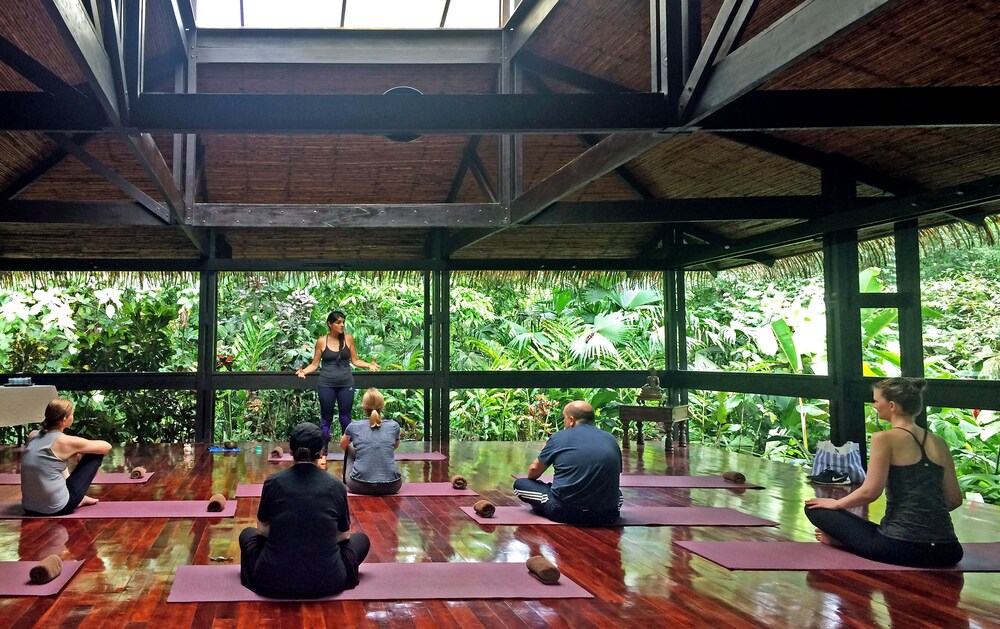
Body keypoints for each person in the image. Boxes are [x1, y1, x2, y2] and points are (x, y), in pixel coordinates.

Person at [805, 377, 964, 567]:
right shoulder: (939, 442)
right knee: (876, 530)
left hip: (901, 547)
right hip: (948, 551)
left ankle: (843, 543)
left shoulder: (884, 438)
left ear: (891, 406)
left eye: (876, 400)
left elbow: (870, 492)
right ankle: (851, 541)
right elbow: (955, 499)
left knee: (815, 508)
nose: (874, 405)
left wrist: (836, 504)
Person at [239, 422, 370, 598]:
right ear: (321, 453)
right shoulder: (336, 485)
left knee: (247, 534)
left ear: (291, 452)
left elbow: (262, 530)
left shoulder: (273, 482)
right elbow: (344, 535)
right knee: (361, 540)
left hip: (271, 579)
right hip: (329, 580)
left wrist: (289, 534)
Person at [512, 400, 623, 526]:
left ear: (571, 420)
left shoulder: (559, 437)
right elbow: (615, 475)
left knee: (520, 484)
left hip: (566, 512)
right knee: (617, 493)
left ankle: (547, 507)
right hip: (608, 514)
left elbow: (533, 472)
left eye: (564, 418)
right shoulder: (611, 439)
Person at [296, 310, 380, 453]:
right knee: (326, 418)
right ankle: (323, 451)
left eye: (343, 322)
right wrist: (304, 371)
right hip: (326, 384)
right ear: (330, 324)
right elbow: (315, 364)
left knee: (345, 418)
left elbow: (356, 360)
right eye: (338, 322)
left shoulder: (348, 339)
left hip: (346, 384)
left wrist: (369, 365)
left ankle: (349, 450)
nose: (342, 325)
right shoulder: (322, 341)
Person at [20, 398, 112, 516]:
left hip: (28, 507)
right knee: (95, 454)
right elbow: (106, 446)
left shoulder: (33, 435)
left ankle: (78, 497)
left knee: (55, 462)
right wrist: (82, 450)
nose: (73, 416)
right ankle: (77, 499)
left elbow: (48, 463)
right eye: (72, 414)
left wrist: (76, 450)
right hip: (57, 507)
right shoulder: (63, 441)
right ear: (64, 419)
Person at [339, 388, 402, 496]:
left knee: (350, 447)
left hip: (358, 485)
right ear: (382, 406)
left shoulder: (354, 426)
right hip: (392, 485)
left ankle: (347, 479)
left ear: (363, 406)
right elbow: (395, 446)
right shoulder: (394, 426)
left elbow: (342, 445)